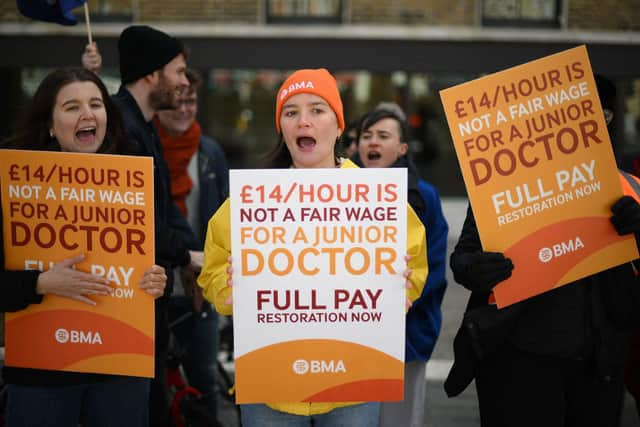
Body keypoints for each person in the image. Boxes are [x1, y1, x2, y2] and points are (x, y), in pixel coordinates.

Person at [196, 68, 428, 426]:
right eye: (291, 113)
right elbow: (214, 273)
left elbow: (414, 264)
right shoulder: (251, 202)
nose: (303, 121)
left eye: (317, 110)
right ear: (282, 129)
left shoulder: (378, 200)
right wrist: (232, 290)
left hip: (353, 383)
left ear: (338, 127)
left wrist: (400, 286)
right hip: (272, 386)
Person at [445, 75, 640, 426]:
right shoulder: (504, 186)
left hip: (598, 364)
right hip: (520, 359)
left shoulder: (629, 187)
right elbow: (463, 257)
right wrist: (477, 268)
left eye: (602, 115)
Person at [0, 67, 167, 426]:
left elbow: (148, 263)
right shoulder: (13, 187)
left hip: (120, 368)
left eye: (96, 104)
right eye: (72, 107)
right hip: (43, 370)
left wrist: (155, 280)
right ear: (49, 123)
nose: (88, 114)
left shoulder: (132, 181)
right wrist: (40, 283)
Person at [111, 25, 203, 427]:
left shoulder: (143, 126)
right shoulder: (122, 129)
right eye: (178, 71)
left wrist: (188, 254)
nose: (184, 82)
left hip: (150, 297)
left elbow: (164, 210)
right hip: (130, 300)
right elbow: (138, 219)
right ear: (152, 74)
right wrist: (186, 254)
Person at [356, 104, 448, 427]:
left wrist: (397, 305)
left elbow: (434, 267)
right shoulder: (336, 191)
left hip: (407, 335)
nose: (373, 143)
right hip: (350, 337)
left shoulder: (425, 197)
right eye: (366, 136)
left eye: (383, 136)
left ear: (402, 148)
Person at [155, 68, 229, 424]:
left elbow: (224, 220)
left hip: (201, 287)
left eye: (192, 101)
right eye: (176, 102)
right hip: (152, 286)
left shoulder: (210, 153)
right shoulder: (144, 150)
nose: (185, 110)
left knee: (204, 380)